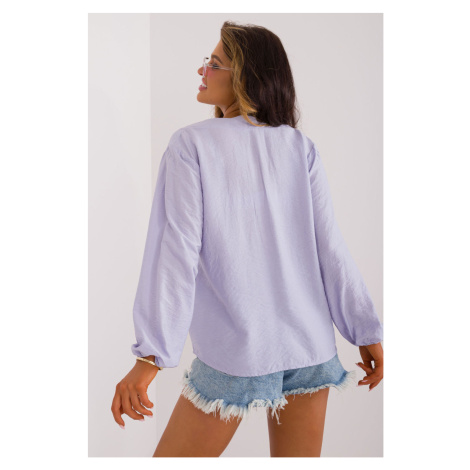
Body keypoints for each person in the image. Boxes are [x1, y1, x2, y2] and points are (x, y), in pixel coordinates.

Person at [111, 21, 384, 457]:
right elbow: (330, 249)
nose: (202, 70)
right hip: (311, 347)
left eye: (214, 63)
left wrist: (150, 357)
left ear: (245, 76)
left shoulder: (191, 145)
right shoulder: (299, 146)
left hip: (239, 348)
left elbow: (177, 252)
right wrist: (364, 329)